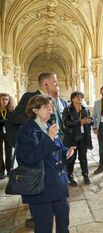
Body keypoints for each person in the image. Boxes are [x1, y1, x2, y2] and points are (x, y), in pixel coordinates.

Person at [5, 72, 64, 228]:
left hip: (52, 159)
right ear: (45, 83)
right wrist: (36, 122)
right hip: (37, 156)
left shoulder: (54, 101)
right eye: (54, 82)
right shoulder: (29, 98)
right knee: (43, 217)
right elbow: (13, 118)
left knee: (62, 215)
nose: (57, 85)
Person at [16, 95, 75, 233]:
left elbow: (58, 147)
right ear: (35, 110)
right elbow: (28, 158)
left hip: (57, 184)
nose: (51, 110)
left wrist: (66, 152)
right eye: (46, 107)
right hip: (41, 187)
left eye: (51, 106)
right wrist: (48, 137)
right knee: (44, 226)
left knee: (64, 220)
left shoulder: (48, 126)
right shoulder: (26, 131)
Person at [62, 91, 93, 186]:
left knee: (83, 157)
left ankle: (85, 175)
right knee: (72, 158)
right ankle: (70, 175)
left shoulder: (85, 109)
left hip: (83, 136)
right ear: (72, 99)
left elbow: (89, 119)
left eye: (81, 97)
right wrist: (79, 122)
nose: (80, 98)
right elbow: (65, 123)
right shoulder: (67, 110)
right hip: (72, 137)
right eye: (77, 97)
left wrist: (90, 121)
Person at [0, 93, 14, 179]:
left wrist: (4, 121)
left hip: (8, 134)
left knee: (9, 153)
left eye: (6, 99)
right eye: (3, 99)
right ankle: (1, 171)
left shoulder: (11, 110)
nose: (5, 101)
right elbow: (8, 122)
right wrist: (5, 121)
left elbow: (13, 122)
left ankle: (9, 170)